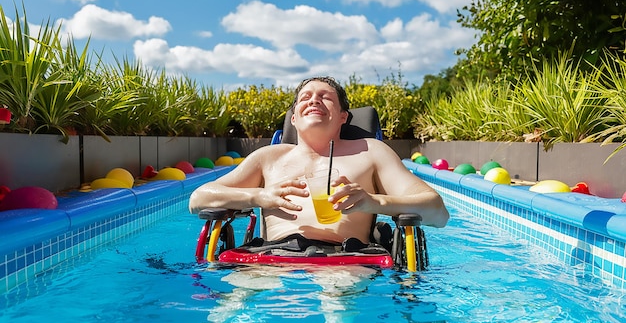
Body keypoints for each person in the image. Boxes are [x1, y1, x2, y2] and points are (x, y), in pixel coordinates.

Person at [189, 76, 449, 246]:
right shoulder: (269, 157)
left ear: (343, 117)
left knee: (335, 298)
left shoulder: (371, 151)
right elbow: (198, 199)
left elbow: (438, 212)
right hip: (270, 257)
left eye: (325, 97)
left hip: (346, 259)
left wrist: (374, 202)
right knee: (230, 304)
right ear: (293, 119)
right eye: (305, 97)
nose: (313, 100)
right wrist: (258, 196)